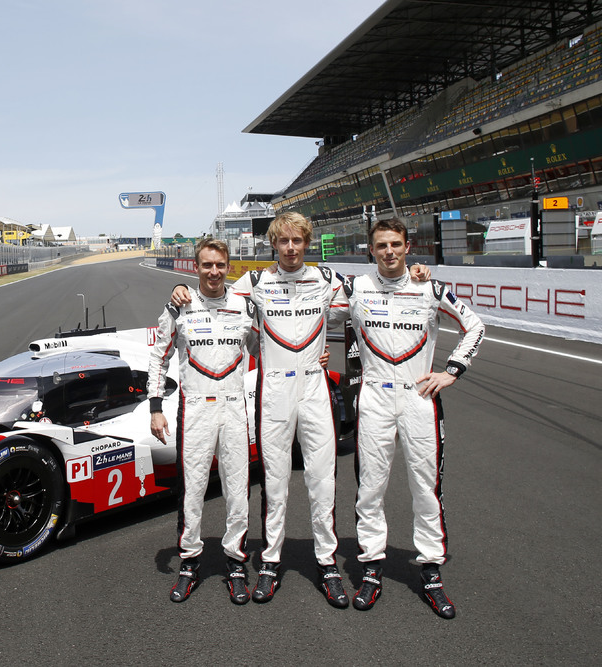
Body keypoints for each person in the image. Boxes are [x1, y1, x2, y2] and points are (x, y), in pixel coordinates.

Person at [171, 213, 430, 610]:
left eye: (297, 240)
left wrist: (416, 274)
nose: (290, 248)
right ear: (273, 244)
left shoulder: (328, 279)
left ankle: (327, 563)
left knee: (322, 481)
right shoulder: (254, 282)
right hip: (274, 389)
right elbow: (214, 294)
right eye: (283, 241)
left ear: (307, 243)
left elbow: (375, 291)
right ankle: (270, 562)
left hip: (313, 387)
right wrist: (179, 290)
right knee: (274, 484)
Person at [336, 218, 484, 619]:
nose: (389, 251)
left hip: (420, 397)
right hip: (374, 397)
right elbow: (310, 311)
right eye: (381, 245)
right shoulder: (355, 288)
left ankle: (431, 571)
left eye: (395, 244)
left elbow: (474, 326)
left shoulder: (429, 287)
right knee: (370, 489)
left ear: (407, 246)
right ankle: (371, 568)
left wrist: (452, 370)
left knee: (426, 488)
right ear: (370, 250)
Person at [148, 237, 256, 604]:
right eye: (207, 265)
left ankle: (236, 563)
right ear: (196, 267)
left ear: (229, 267)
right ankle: (190, 562)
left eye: (220, 265)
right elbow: (158, 357)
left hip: (234, 408)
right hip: (194, 407)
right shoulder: (179, 306)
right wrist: (155, 407)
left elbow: (265, 349)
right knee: (192, 490)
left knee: (237, 490)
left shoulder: (245, 307)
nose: (214, 271)